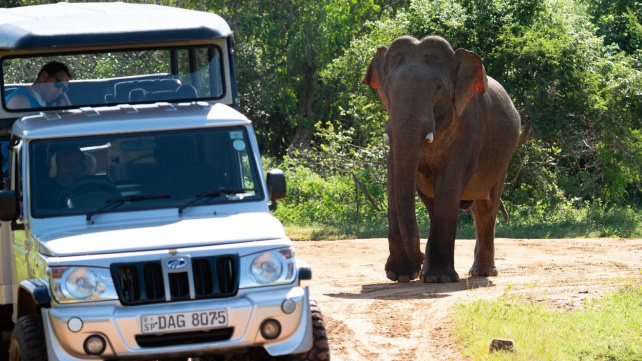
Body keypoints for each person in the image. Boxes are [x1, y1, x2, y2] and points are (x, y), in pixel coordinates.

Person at [5, 61, 72, 109]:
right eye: (59, 84)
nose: (60, 91)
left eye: (64, 89)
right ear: (44, 77)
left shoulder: (40, 100)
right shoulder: (21, 101)